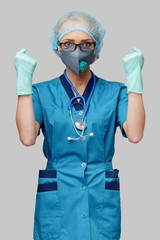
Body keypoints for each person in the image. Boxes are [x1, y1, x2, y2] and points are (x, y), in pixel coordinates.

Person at [15, 11, 146, 240]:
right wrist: (23, 83)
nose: (77, 51)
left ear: (96, 48)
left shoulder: (115, 92)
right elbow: (27, 137)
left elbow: (135, 134)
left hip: (100, 194)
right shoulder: (41, 92)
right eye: (68, 44)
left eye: (86, 43)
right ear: (58, 48)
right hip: (58, 195)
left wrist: (134, 78)